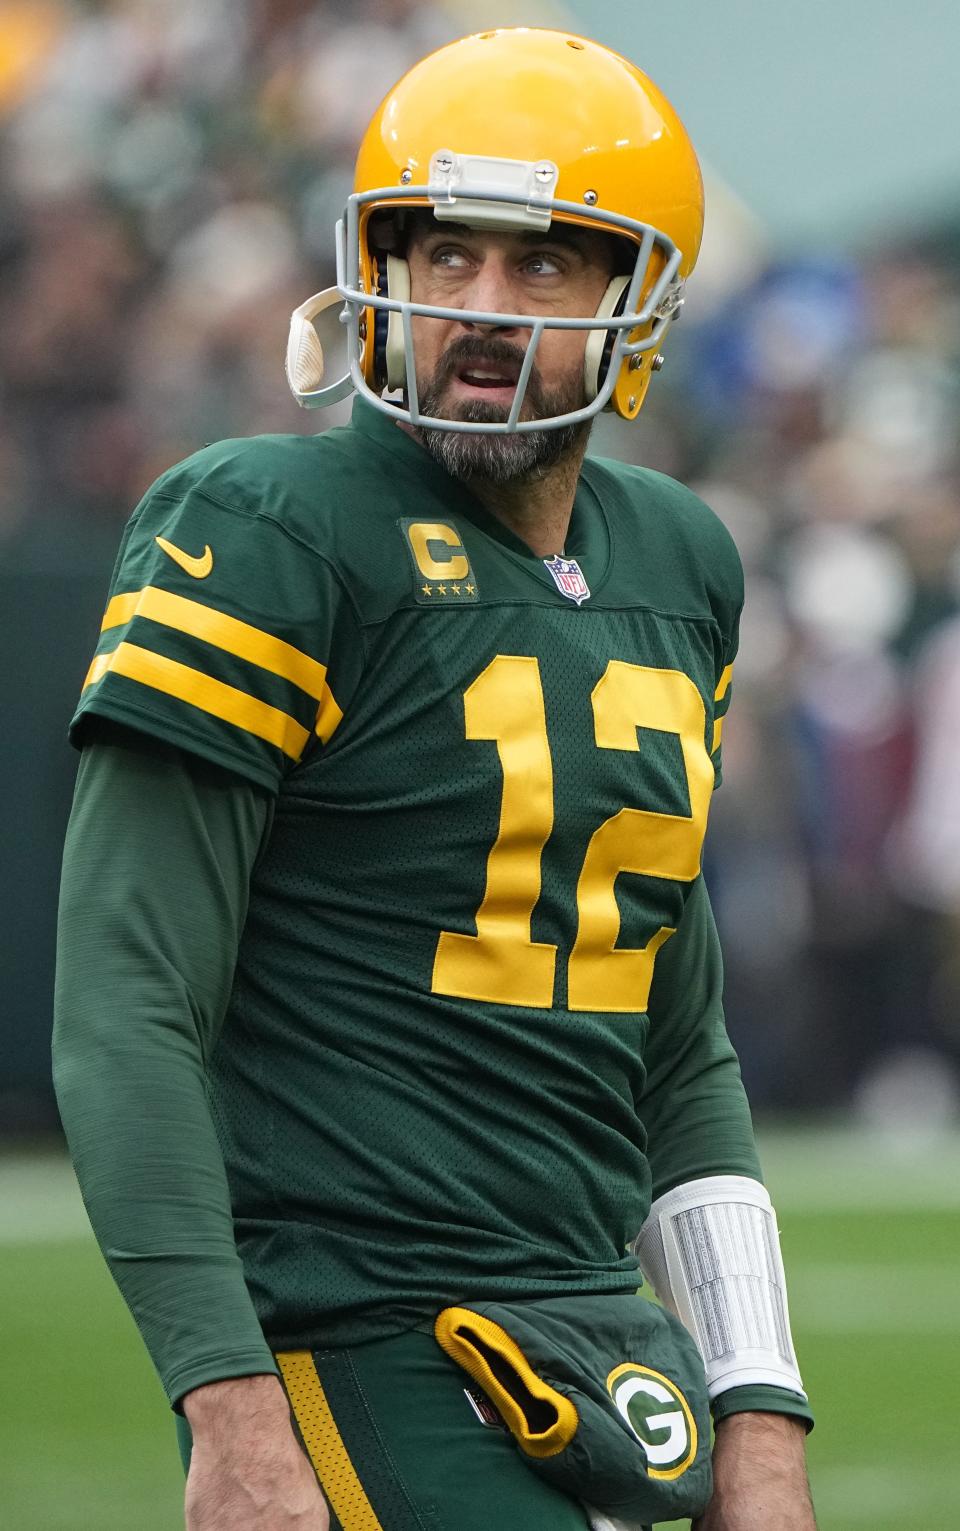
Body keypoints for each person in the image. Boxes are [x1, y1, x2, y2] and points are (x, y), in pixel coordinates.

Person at [53, 27, 817, 1531]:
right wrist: (227, 1398)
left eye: (540, 267)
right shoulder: (268, 524)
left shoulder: (678, 558)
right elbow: (126, 1000)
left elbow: (677, 1040)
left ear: (636, 299)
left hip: (605, 1340)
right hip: (361, 1342)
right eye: (443, 253)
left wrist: (763, 1407)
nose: (478, 307)